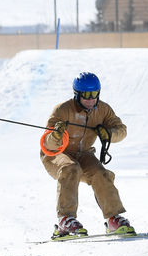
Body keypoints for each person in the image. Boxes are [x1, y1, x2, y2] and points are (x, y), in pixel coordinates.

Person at [40, 72, 134, 237]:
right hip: (57, 154)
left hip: (84, 154)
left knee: (101, 173)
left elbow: (121, 130)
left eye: (94, 95)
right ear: (77, 95)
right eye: (86, 96)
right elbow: (47, 143)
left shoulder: (103, 109)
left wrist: (109, 134)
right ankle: (65, 220)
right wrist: (55, 136)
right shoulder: (62, 110)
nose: (90, 100)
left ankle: (113, 219)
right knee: (70, 168)